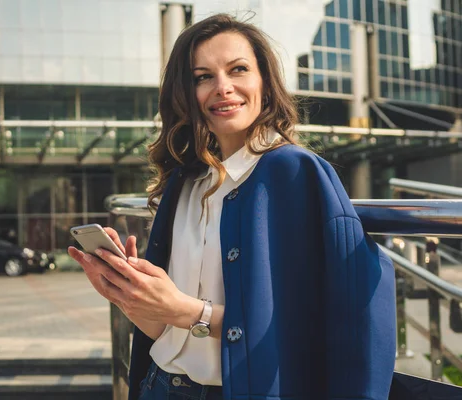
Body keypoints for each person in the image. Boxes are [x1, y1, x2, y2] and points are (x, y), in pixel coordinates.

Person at [68, 13, 396, 400]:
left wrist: (189, 311)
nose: (222, 88)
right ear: (186, 93)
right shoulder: (186, 181)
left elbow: (323, 317)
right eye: (202, 76)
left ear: (265, 83)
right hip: (160, 385)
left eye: (237, 69)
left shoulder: (294, 172)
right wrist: (129, 296)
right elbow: (170, 331)